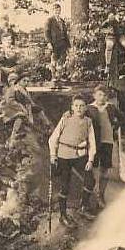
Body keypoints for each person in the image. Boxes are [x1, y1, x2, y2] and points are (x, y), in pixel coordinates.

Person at [48, 95, 97, 226]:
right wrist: (53, 155)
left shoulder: (88, 122)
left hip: (80, 155)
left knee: (90, 181)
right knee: (65, 186)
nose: (79, 108)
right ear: (72, 107)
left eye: (81, 106)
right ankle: (63, 215)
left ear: (86, 108)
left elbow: (92, 142)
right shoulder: (65, 119)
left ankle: (83, 207)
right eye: (76, 106)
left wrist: (90, 160)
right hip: (64, 156)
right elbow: (53, 139)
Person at [85, 85, 124, 209]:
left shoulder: (111, 107)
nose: (102, 97)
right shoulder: (89, 109)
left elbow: (122, 118)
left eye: (104, 95)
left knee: (106, 169)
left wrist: (115, 125)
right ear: (94, 95)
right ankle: (94, 193)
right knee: (94, 168)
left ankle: (101, 194)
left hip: (108, 141)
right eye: (99, 95)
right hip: (94, 143)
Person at [1, 73, 52, 150]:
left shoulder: (24, 90)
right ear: (19, 81)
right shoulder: (12, 89)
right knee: (20, 116)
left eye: (27, 81)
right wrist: (21, 107)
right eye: (24, 81)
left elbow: (28, 101)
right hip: (12, 109)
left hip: (24, 108)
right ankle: (13, 137)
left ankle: (48, 126)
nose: (26, 83)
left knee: (39, 110)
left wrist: (32, 106)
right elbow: (10, 101)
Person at [45, 4, 71, 82]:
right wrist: (49, 43)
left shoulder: (62, 21)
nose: (57, 11)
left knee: (62, 61)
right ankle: (54, 77)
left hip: (63, 44)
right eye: (56, 10)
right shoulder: (50, 20)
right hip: (54, 44)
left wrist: (68, 45)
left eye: (59, 10)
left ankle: (59, 76)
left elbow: (65, 33)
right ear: (53, 10)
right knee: (54, 61)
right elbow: (46, 32)